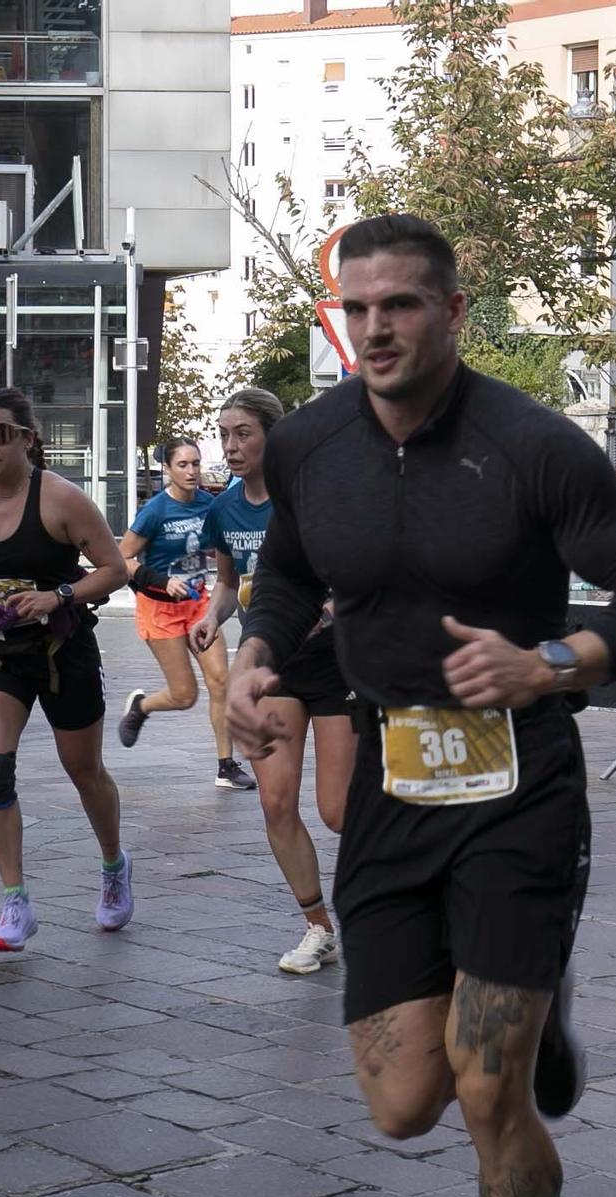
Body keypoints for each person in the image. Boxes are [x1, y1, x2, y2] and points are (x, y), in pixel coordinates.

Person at [227, 214, 616, 1197]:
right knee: (402, 1105)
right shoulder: (308, 442)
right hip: (391, 776)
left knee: (488, 1086)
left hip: (517, 781)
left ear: (451, 311)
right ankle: (536, 994)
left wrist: (555, 662)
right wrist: (253, 655)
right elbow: (289, 568)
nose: (377, 328)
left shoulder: (529, 444)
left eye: (400, 304)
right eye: (357, 308)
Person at [0, 387, 133, 951]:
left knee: (83, 769)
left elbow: (114, 570)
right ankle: (15, 901)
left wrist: (59, 594)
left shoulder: (62, 500)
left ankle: (114, 866)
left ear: (27, 438)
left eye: (0, 434)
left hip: (63, 652)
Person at [191, 387, 355, 975]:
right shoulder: (223, 508)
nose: (231, 446)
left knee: (337, 810)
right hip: (272, 666)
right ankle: (318, 927)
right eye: (224, 434)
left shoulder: (309, 498)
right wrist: (212, 618)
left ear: (273, 436)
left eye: (243, 434)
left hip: (336, 663)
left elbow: (350, 576)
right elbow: (229, 585)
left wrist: (327, 611)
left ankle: (395, 895)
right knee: (274, 799)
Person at [115, 439, 256, 790]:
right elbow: (122, 558)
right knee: (184, 695)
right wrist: (161, 580)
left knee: (221, 680)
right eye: (183, 465)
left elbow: (225, 547)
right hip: (159, 607)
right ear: (167, 468)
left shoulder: (211, 505)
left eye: (196, 463)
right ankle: (142, 706)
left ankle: (226, 766)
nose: (192, 471)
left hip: (199, 604)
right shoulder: (155, 511)